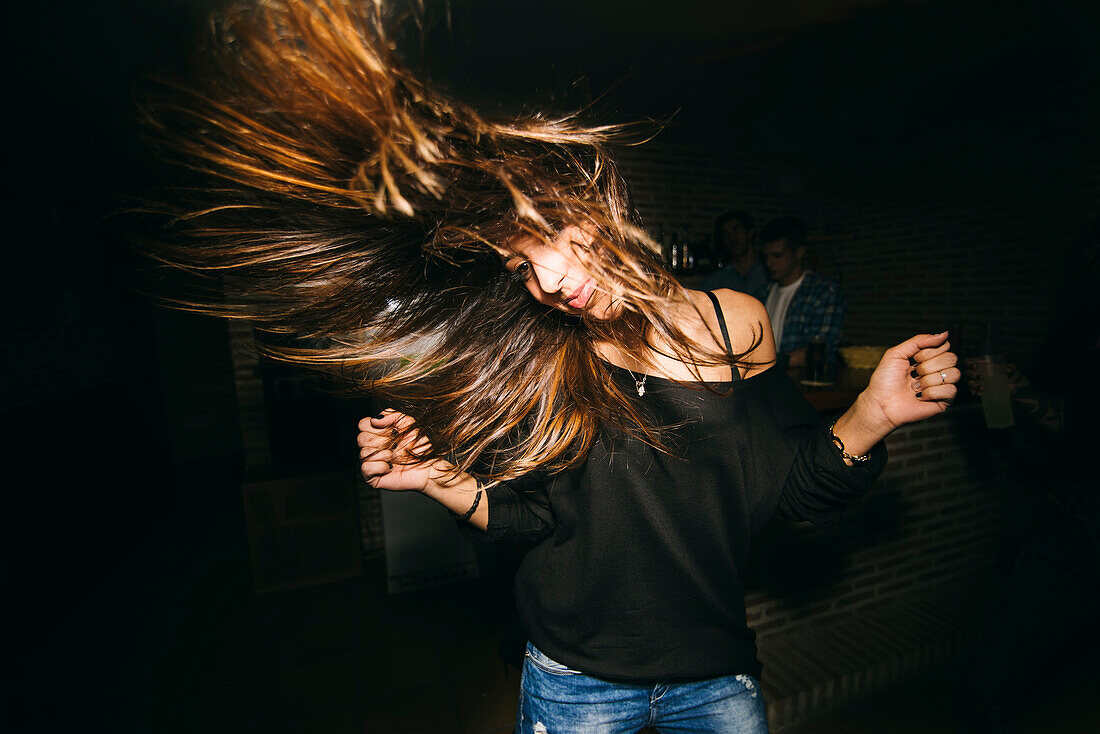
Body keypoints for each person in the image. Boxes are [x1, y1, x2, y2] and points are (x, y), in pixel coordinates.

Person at [140, 3, 961, 731]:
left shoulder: (733, 321)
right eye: (521, 265)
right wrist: (437, 480)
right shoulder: (538, 353)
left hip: (715, 675)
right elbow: (531, 519)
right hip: (576, 687)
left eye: (557, 238)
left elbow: (787, 491)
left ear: (606, 205)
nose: (551, 279)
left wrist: (872, 414)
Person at [759, 218, 846, 368]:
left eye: (777, 256)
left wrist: (763, 365)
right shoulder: (763, 292)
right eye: (766, 257)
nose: (769, 263)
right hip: (768, 383)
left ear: (799, 252)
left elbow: (820, 350)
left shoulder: (823, 292)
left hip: (804, 385)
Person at [702, 210, 769, 302]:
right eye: (726, 234)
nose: (732, 238)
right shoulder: (715, 281)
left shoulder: (769, 272)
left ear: (750, 233)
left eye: (736, 230)